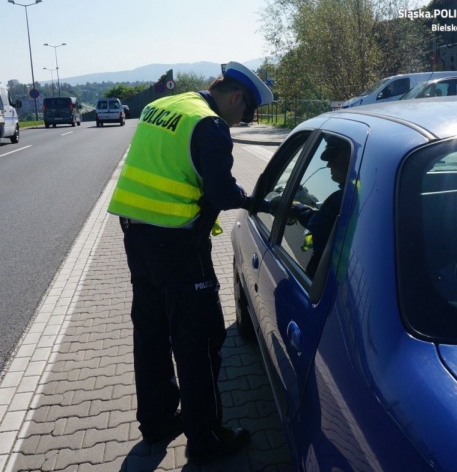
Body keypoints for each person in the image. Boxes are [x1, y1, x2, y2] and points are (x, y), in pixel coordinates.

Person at [107, 62, 273, 464]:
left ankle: (158, 420)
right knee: (198, 342)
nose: (241, 122)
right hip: (179, 246)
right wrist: (256, 201)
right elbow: (221, 193)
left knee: (150, 332)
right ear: (236, 97)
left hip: (136, 235)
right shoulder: (210, 124)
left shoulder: (164, 105)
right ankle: (206, 440)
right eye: (246, 114)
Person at [289, 140, 351, 276]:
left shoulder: (341, 198)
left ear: (348, 157)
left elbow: (317, 225)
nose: (328, 165)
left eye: (332, 157)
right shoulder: (359, 192)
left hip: (325, 274)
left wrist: (298, 207)